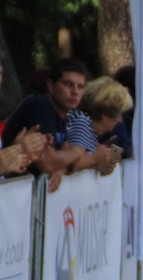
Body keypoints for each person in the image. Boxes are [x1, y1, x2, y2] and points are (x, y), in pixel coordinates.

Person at [2, 57, 88, 192]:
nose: (75, 92)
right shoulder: (38, 105)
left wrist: (61, 168)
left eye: (80, 87)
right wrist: (79, 150)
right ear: (51, 85)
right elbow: (48, 163)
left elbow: (70, 159)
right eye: (68, 84)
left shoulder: (67, 117)